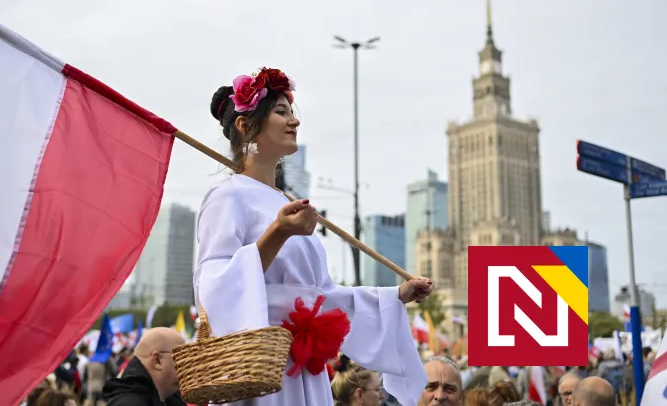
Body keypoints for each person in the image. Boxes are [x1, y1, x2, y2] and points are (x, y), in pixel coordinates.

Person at [195, 67, 433, 406]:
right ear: (246, 126)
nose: (294, 121)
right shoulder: (227, 196)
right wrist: (277, 233)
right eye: (281, 111)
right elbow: (213, 286)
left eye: (291, 111)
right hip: (259, 366)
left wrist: (395, 295)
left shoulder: (285, 203)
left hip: (306, 369)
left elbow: (322, 296)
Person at [102, 327, 187, 406]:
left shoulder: (171, 399)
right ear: (157, 360)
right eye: (181, 357)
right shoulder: (128, 403)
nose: (187, 365)